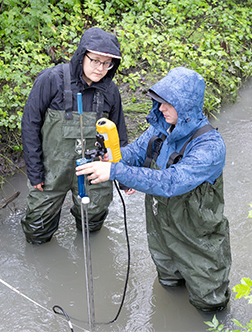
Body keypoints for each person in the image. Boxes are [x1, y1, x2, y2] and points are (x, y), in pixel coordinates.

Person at [76, 67, 231, 312]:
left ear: (186, 105)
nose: (160, 109)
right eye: (159, 102)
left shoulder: (210, 147)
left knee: (209, 302)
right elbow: (134, 153)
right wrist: (110, 159)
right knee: (169, 284)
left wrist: (117, 172)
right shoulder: (160, 129)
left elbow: (171, 182)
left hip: (199, 239)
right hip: (161, 228)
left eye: (167, 104)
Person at [20, 27, 128, 245]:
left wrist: (123, 174)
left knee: (92, 224)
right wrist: (35, 172)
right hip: (52, 170)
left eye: (107, 64)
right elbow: (30, 125)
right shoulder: (51, 79)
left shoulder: (110, 90)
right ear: (82, 55)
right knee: (37, 230)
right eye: (95, 61)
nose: (100, 68)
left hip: (94, 171)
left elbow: (119, 133)